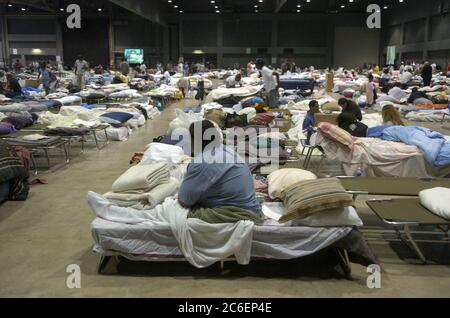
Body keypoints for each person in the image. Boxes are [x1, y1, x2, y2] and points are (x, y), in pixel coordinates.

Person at [178, 120, 261, 213]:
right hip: (251, 206)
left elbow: (184, 201)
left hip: (235, 211)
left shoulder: (201, 163)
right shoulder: (225, 149)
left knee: (171, 209)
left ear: (194, 141)